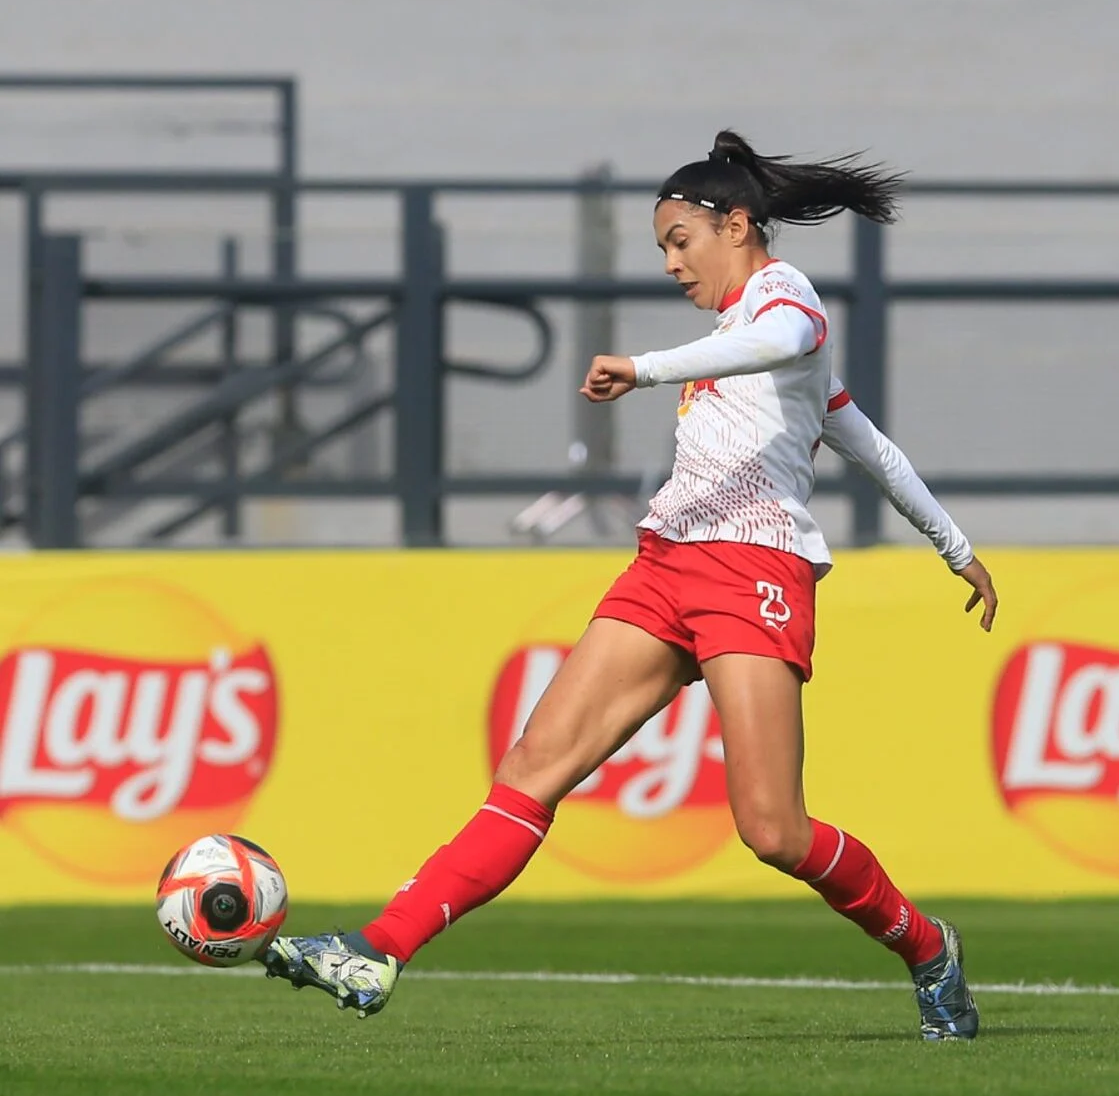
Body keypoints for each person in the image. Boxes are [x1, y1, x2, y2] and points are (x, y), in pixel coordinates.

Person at [264, 131, 998, 1041]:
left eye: (680, 240)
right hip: (666, 565)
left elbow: (800, 359)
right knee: (531, 771)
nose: (670, 261)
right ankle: (378, 949)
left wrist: (645, 368)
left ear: (736, 224)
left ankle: (927, 948)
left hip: (753, 572)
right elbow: (866, 439)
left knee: (772, 830)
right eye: (660, 247)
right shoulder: (749, 343)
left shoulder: (784, 299)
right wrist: (956, 542)